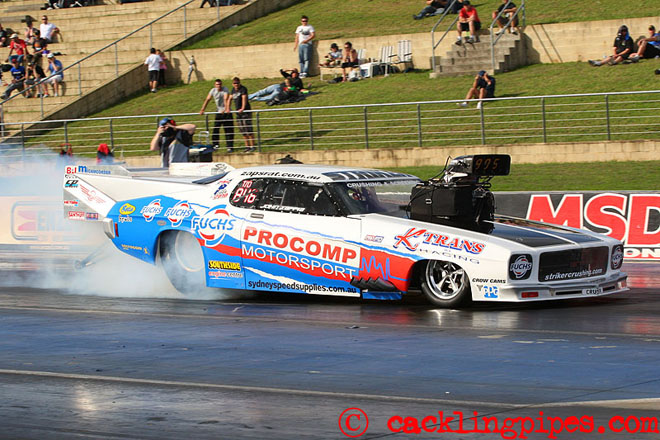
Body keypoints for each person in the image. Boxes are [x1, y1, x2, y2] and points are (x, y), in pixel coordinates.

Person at [199, 78, 235, 153]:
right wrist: (202, 109)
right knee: (216, 129)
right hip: (218, 112)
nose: (219, 86)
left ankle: (230, 147)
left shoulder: (225, 89)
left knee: (228, 130)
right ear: (215, 85)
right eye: (217, 84)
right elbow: (207, 99)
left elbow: (226, 99)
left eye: (220, 84)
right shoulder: (213, 90)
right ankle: (216, 145)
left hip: (227, 112)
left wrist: (225, 109)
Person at [229, 77, 255, 153]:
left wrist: (243, 108)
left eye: (237, 83)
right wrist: (227, 108)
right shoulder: (233, 90)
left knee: (248, 129)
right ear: (232, 84)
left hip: (246, 112)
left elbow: (244, 98)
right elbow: (229, 99)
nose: (236, 84)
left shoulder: (243, 89)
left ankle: (252, 146)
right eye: (234, 83)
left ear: (239, 83)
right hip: (238, 113)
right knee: (242, 130)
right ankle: (247, 146)